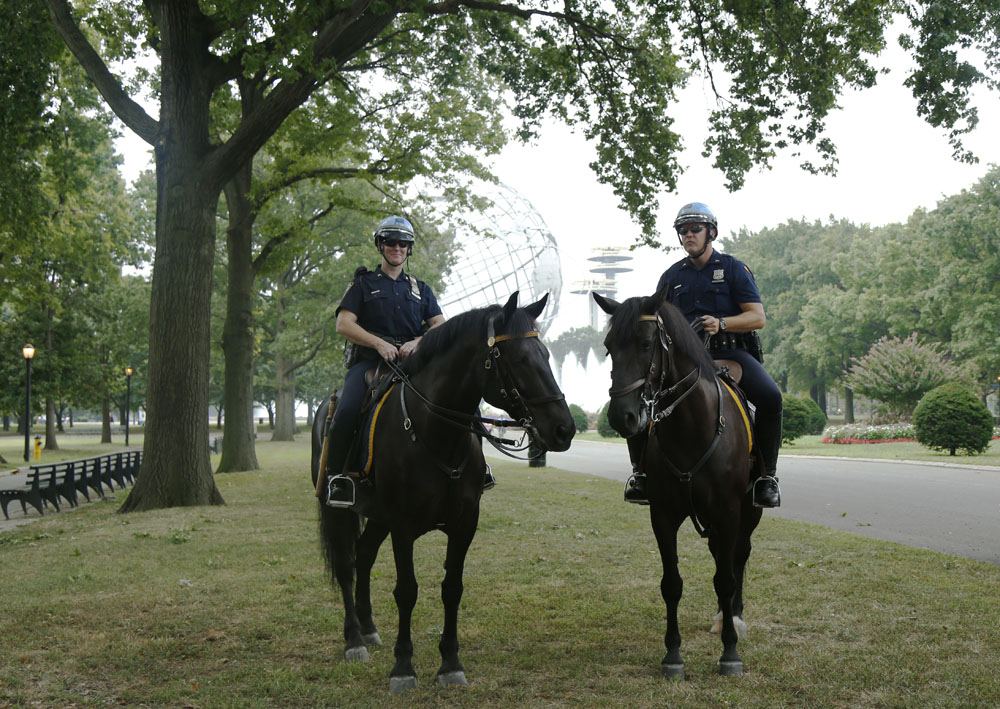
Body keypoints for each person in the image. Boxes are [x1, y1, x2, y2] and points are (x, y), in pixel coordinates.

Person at [623, 202, 782, 508]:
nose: (688, 235)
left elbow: (757, 317)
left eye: (695, 229)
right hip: (683, 360)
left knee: (771, 397)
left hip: (731, 352)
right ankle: (640, 474)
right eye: (683, 230)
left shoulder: (733, 269)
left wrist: (722, 323)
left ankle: (767, 478)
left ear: (711, 233)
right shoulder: (671, 276)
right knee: (638, 395)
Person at [324, 215, 446, 507]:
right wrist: (378, 343)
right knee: (347, 410)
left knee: (455, 395)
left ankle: (475, 470)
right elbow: (343, 324)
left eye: (403, 243)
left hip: (413, 364)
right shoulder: (363, 284)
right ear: (380, 245)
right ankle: (337, 478)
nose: (397, 248)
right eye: (391, 242)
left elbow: (441, 325)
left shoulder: (421, 289)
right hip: (370, 365)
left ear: (409, 248)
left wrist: (418, 342)